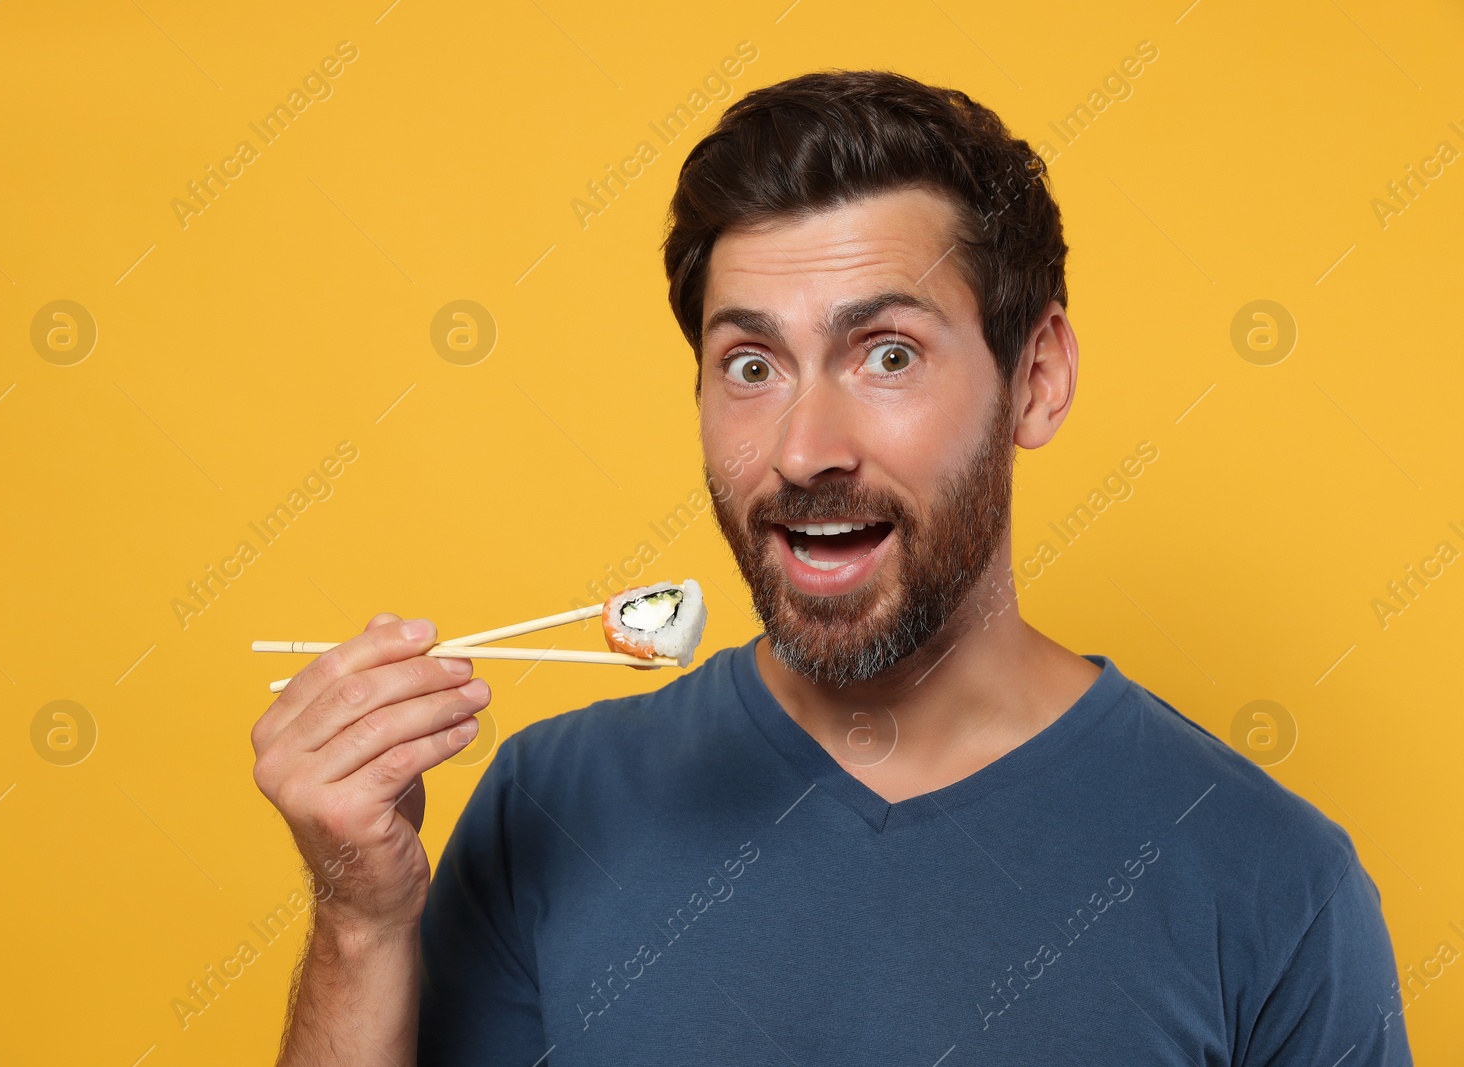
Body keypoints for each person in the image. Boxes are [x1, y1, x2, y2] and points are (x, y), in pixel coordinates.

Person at [251, 70, 1412, 1065]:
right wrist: (359, 922)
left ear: (1037, 375)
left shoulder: (1271, 880)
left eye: (887, 353)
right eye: (751, 364)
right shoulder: (549, 806)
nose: (806, 450)